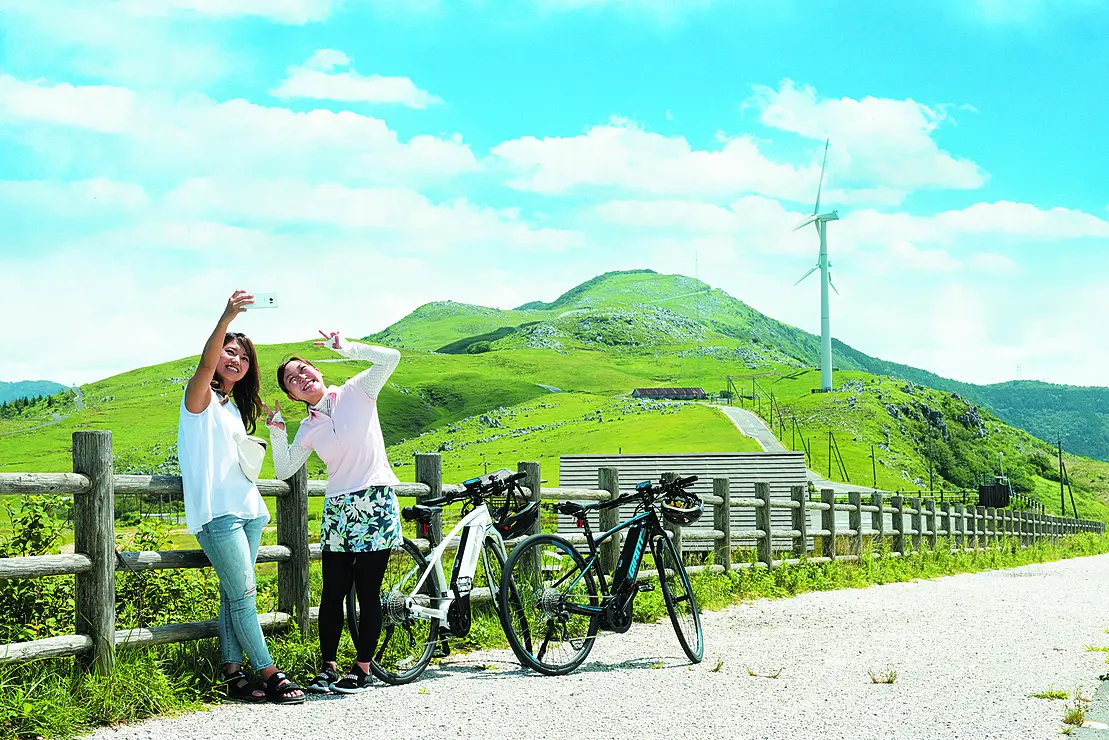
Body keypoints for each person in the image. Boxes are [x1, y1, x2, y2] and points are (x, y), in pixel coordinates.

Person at [178, 290, 305, 705]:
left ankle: (232, 673)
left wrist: (272, 428)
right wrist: (226, 316)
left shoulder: (232, 408)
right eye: (230, 352)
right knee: (245, 594)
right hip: (217, 515)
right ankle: (271, 673)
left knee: (234, 593)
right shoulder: (197, 397)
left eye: (244, 357)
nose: (236, 360)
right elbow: (203, 363)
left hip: (250, 512)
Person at [266, 331, 402, 695]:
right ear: (292, 395)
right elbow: (284, 470)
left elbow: (390, 357)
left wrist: (346, 348)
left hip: (375, 498)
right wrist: (278, 433)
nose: (301, 378)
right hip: (338, 508)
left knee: (368, 592)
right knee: (332, 592)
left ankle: (361, 668)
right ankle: (328, 668)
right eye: (292, 380)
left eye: (303, 369)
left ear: (317, 370)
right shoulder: (308, 428)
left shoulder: (358, 391)